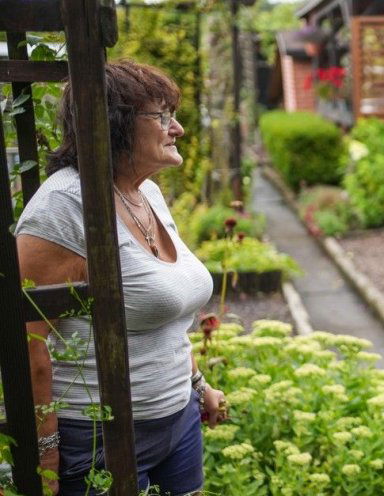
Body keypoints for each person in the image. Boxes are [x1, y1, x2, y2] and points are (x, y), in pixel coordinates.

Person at [16, 60, 227, 495]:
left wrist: (197, 384)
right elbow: (28, 347)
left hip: (178, 421)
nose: (179, 128)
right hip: (97, 438)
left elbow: (163, 309)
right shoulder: (63, 208)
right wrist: (47, 450)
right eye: (164, 116)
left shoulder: (144, 191)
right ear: (116, 124)